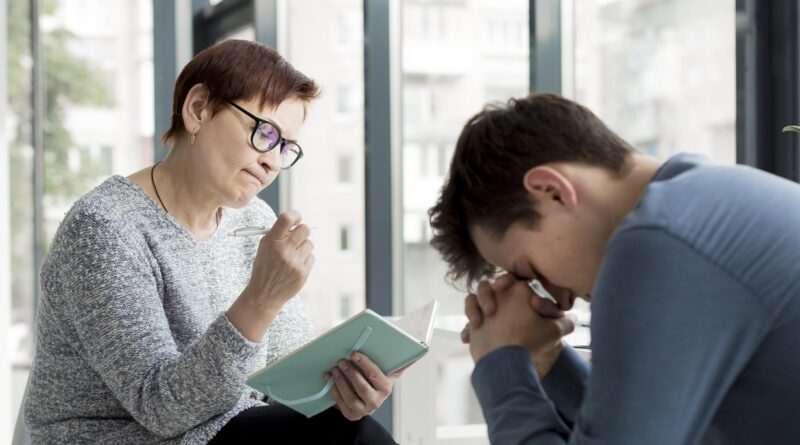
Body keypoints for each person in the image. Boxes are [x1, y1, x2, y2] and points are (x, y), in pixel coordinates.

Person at [24, 39, 399, 444]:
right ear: (198, 109)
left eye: (286, 147)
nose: (272, 160)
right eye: (264, 133)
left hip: (222, 429)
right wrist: (261, 298)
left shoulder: (254, 221)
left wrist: (342, 389)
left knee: (350, 428)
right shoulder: (104, 230)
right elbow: (162, 407)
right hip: (129, 437)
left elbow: (289, 372)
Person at [428, 93, 800, 444]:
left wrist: (501, 363)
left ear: (552, 191)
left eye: (531, 271)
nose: (558, 298)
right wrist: (548, 359)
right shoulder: (704, 206)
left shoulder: (659, 241)